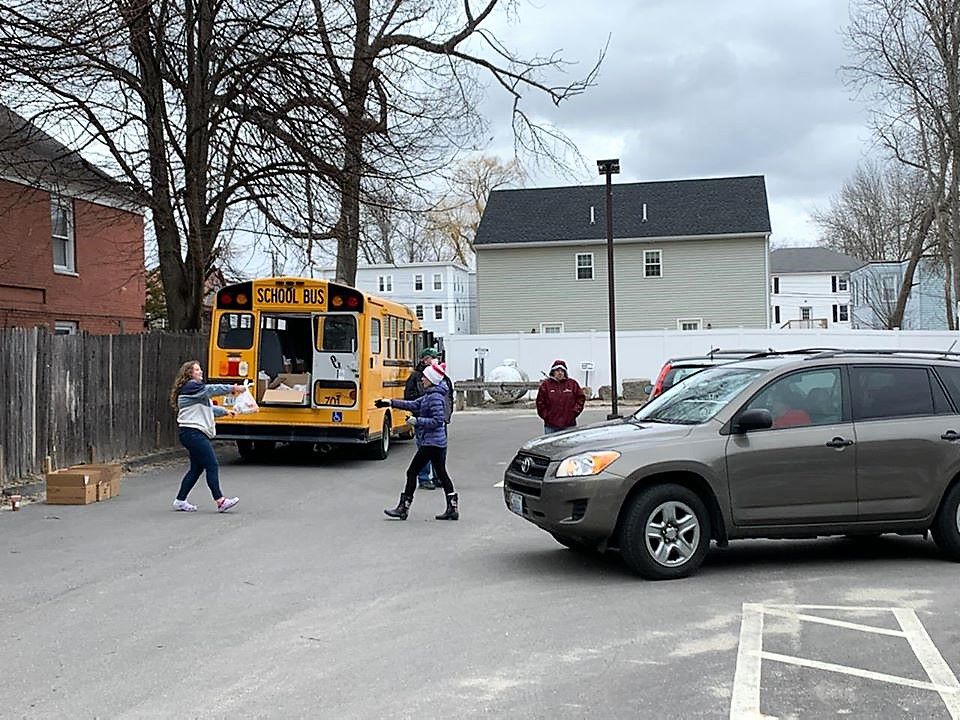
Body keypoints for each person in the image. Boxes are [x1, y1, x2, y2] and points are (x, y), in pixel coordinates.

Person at [377, 361, 458, 521]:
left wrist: (417, 421)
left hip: (431, 443)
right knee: (442, 474)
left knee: (412, 472)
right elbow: (413, 404)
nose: (422, 379)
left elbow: (437, 421)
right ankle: (452, 507)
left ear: (432, 380)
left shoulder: (434, 398)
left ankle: (403, 508)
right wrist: (390, 403)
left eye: (425, 377)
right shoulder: (431, 395)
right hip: (437, 443)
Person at [169, 360, 244, 512]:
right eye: (197, 370)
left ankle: (180, 500)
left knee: (196, 469)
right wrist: (233, 388)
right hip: (193, 433)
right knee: (212, 464)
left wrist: (225, 411)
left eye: (200, 369)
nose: (201, 372)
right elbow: (212, 389)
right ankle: (220, 501)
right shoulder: (191, 386)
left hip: (191, 433)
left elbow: (208, 408)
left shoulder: (195, 391)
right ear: (189, 374)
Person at [404, 347, 453, 490]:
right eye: (432, 357)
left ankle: (438, 477)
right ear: (425, 359)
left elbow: (449, 398)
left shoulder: (442, 377)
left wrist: (447, 415)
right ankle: (424, 478)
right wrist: (419, 413)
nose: (435, 360)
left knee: (440, 451)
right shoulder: (417, 376)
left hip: (440, 420)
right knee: (424, 449)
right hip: (424, 421)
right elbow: (410, 397)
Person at [536, 359, 586, 434]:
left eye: (562, 371)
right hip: (551, 426)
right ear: (553, 372)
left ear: (565, 372)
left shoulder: (572, 384)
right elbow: (540, 402)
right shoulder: (546, 385)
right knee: (550, 445)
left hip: (569, 425)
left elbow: (580, 398)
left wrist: (574, 412)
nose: (560, 373)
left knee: (569, 445)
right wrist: (546, 416)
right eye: (557, 370)